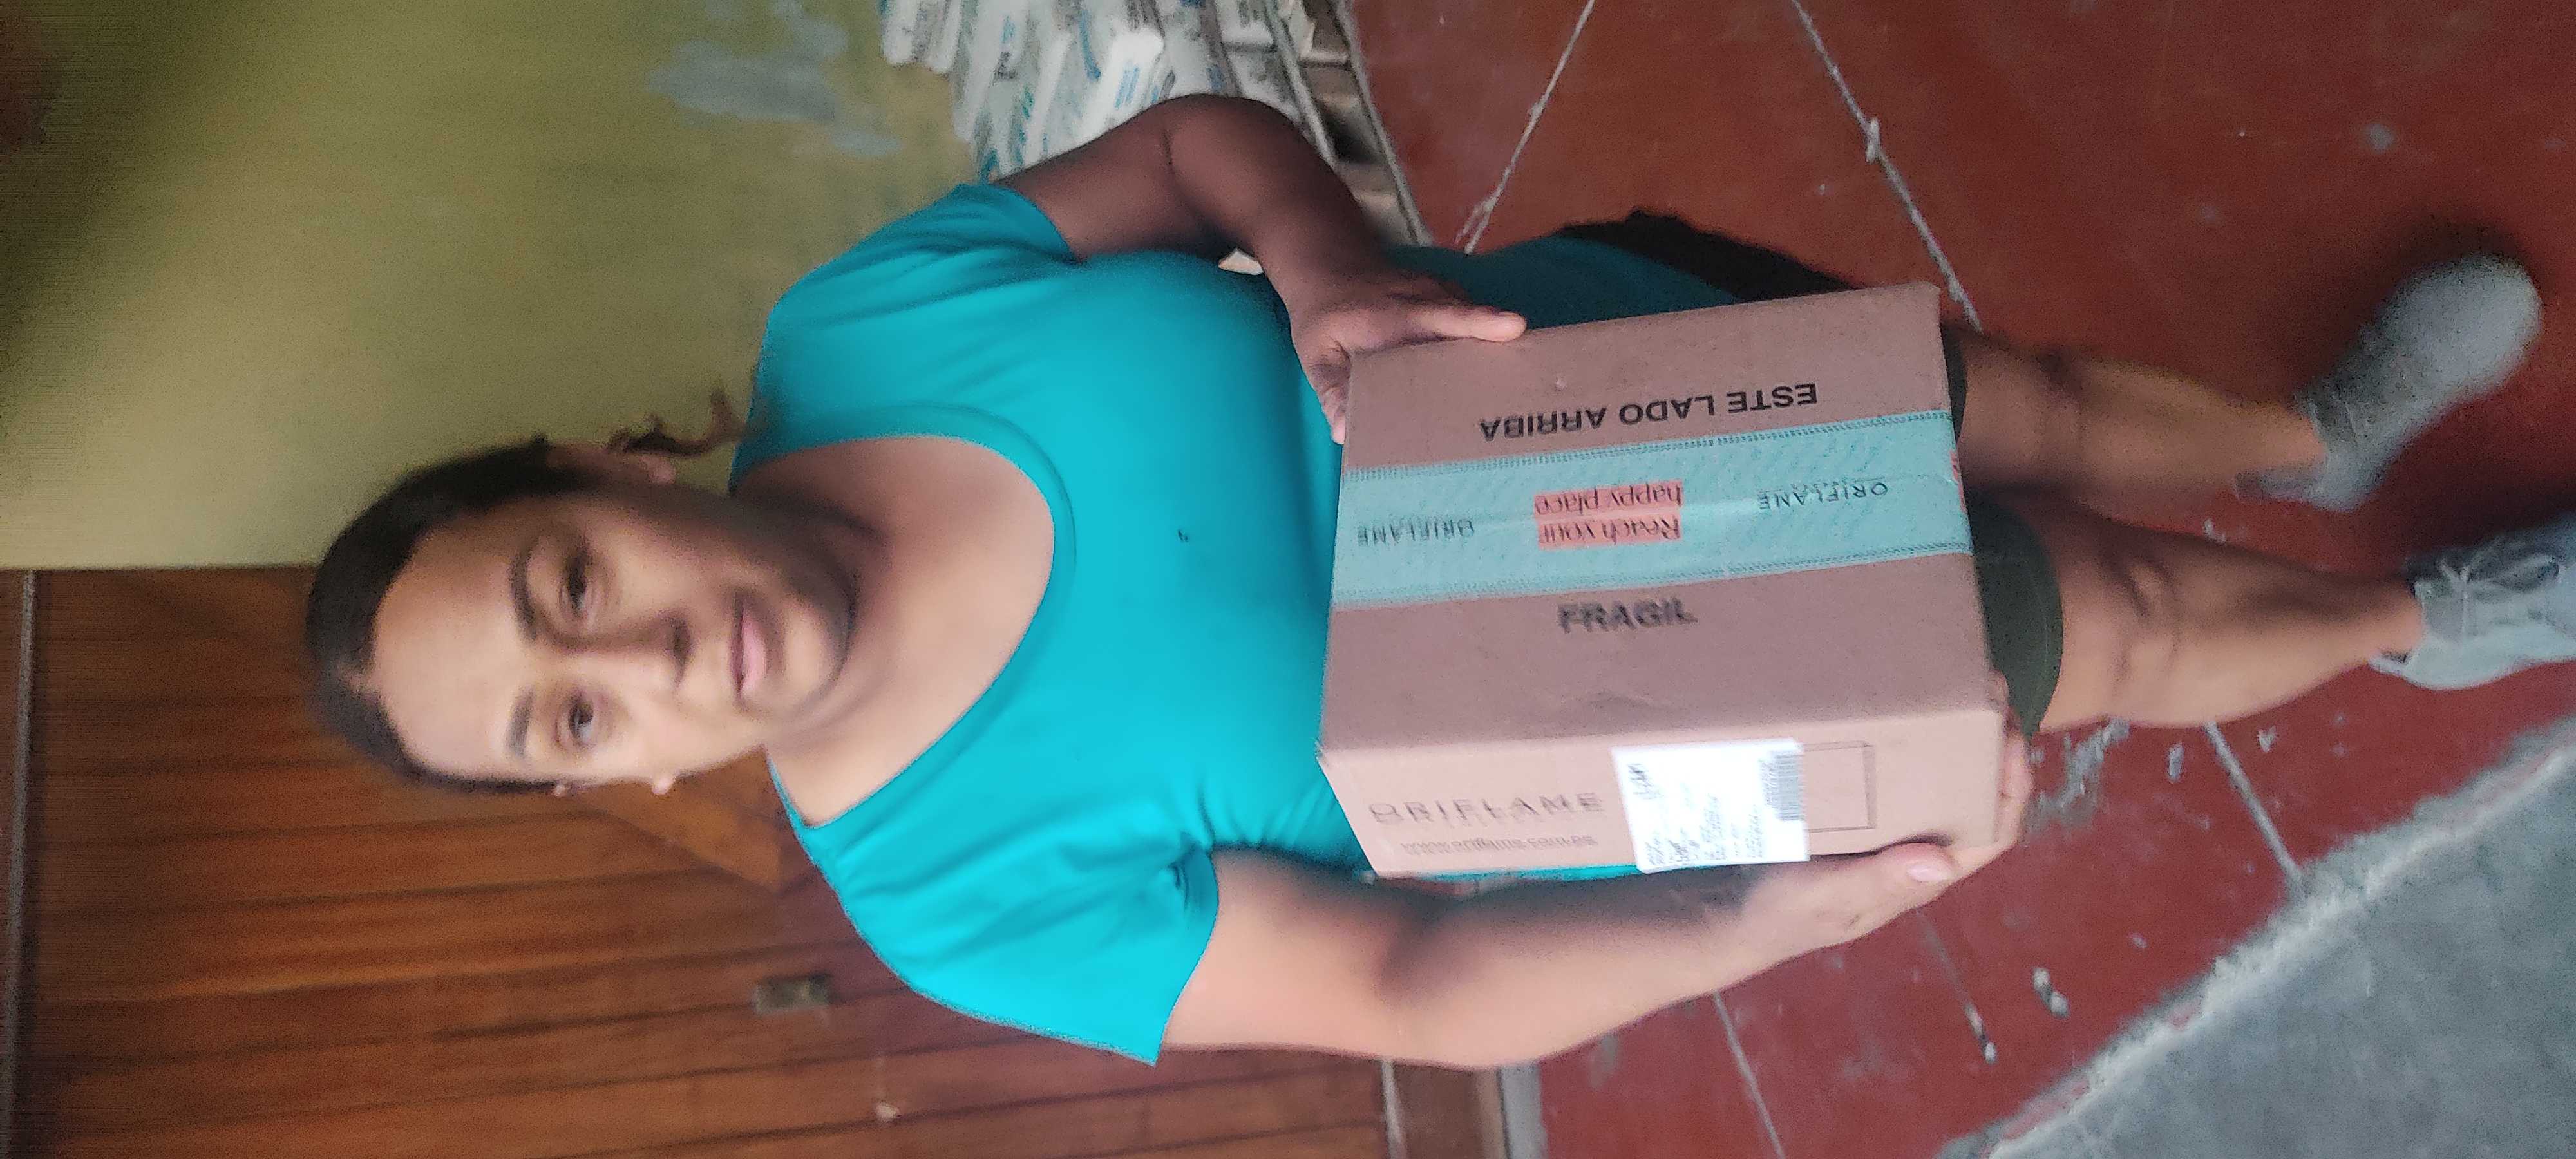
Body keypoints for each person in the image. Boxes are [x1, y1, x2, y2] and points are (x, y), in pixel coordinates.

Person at [305, 96, 2555, 1068]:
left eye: (567, 581)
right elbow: (1401, 979)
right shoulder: (950, 892)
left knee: (2022, 403)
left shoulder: (862, 327)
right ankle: (2424, 623)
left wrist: (1317, 262)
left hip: (1619, 359)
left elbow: (1186, 149)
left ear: (604, 466)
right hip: (1689, 695)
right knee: (2105, 624)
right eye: (572, 716)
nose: (643, 656)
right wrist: (1750, 926)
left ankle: (2310, 436)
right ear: (607, 780)